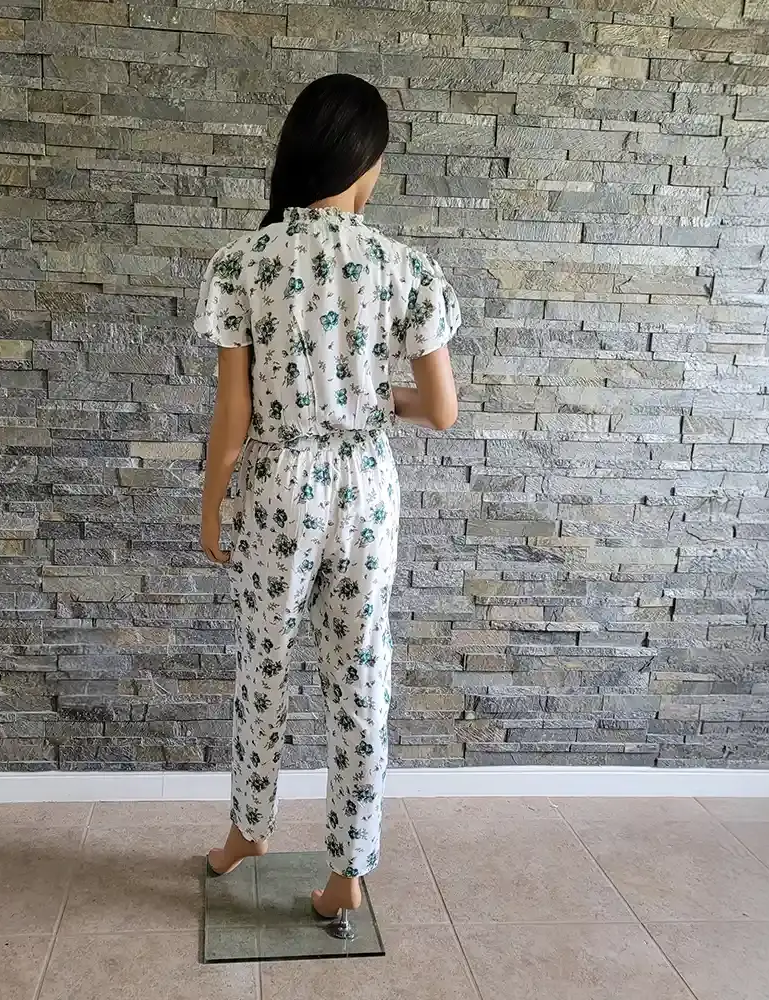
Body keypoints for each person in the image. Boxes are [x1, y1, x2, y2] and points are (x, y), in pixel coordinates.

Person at [195, 73, 460, 920]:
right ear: (365, 162)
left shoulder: (244, 263)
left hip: (278, 484)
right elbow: (442, 410)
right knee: (360, 674)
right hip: (367, 492)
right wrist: (375, 403)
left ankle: (249, 829)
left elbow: (234, 410)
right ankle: (349, 871)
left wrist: (212, 502)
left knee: (263, 664)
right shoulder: (404, 267)